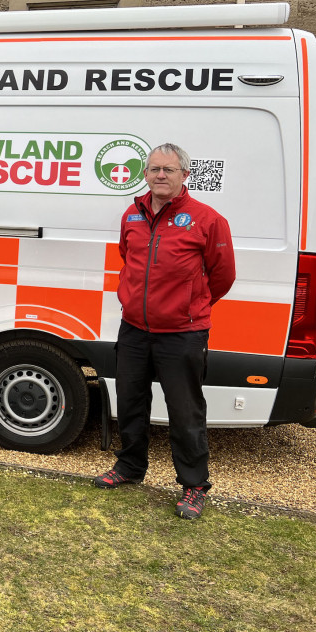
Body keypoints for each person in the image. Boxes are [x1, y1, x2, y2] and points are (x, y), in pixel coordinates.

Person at [94, 143, 235, 520]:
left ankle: (193, 485)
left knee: (185, 410)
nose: (160, 175)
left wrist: (190, 307)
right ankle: (129, 467)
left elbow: (222, 276)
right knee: (130, 402)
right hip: (135, 329)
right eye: (154, 169)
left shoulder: (207, 219)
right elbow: (129, 260)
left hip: (182, 334)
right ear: (145, 174)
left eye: (169, 170)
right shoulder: (132, 215)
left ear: (185, 175)